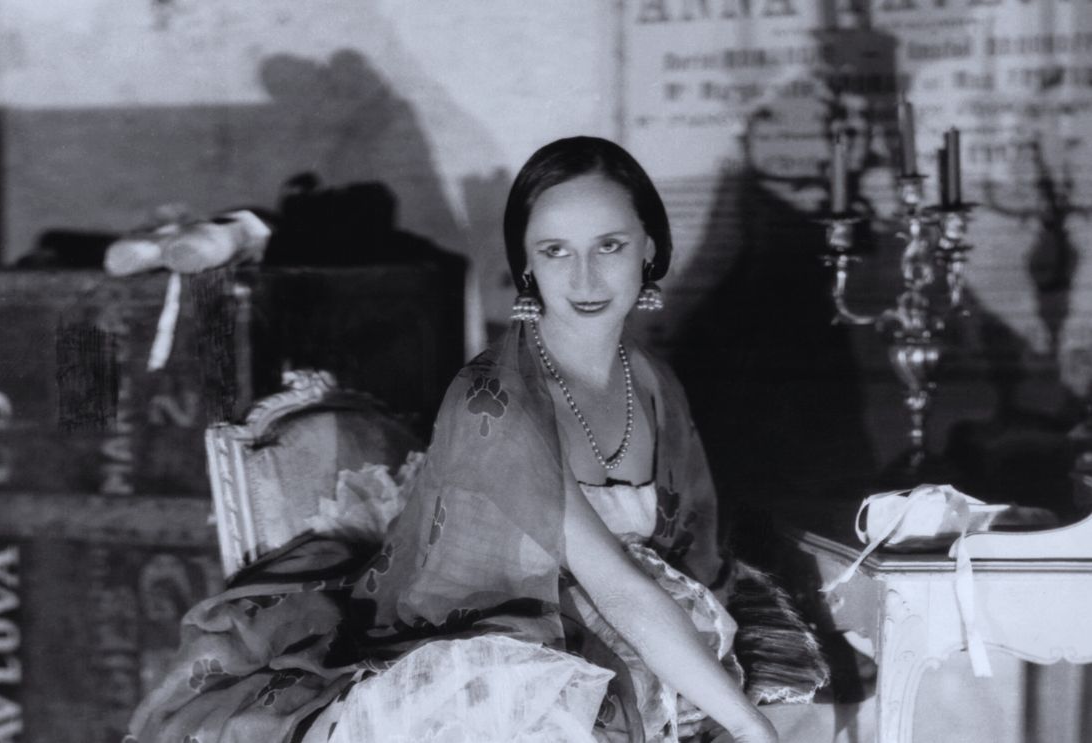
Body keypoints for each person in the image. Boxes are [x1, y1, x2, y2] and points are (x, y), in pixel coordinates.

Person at [127, 137, 842, 743]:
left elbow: (687, 551)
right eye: (555, 251)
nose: (585, 277)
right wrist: (750, 729)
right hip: (487, 652)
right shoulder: (491, 401)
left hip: (619, 632)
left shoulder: (649, 379)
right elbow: (620, 591)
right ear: (525, 264)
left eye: (610, 246)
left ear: (649, 249)